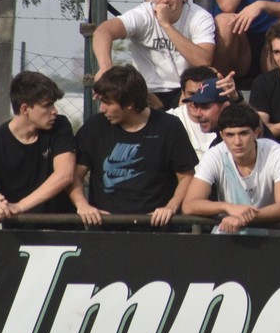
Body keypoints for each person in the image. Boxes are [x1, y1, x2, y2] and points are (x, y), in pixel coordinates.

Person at [70, 65, 198, 226]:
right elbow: (73, 175)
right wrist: (82, 205)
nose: (102, 109)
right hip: (105, 232)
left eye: (107, 103)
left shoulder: (169, 126)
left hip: (156, 232)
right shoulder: (95, 126)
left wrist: (170, 207)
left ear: (129, 103)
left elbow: (187, 176)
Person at [92, 0, 217, 106]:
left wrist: (166, 25)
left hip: (183, 91)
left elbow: (203, 60)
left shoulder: (199, 17)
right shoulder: (143, 14)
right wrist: (105, 67)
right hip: (145, 91)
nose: (164, 0)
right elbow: (103, 31)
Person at [0, 71, 75, 222]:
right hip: (18, 235)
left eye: (54, 104)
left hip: (63, 232)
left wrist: (19, 206)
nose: (54, 111)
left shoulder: (60, 126)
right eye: (47, 105)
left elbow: (64, 175)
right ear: (25, 109)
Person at [182, 104, 280, 233]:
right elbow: (189, 205)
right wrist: (228, 207)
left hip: (273, 239)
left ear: (256, 133)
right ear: (222, 135)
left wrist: (245, 217)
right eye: (230, 135)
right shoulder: (215, 155)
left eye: (243, 133)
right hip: (229, 234)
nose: (237, 142)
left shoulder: (278, 153)